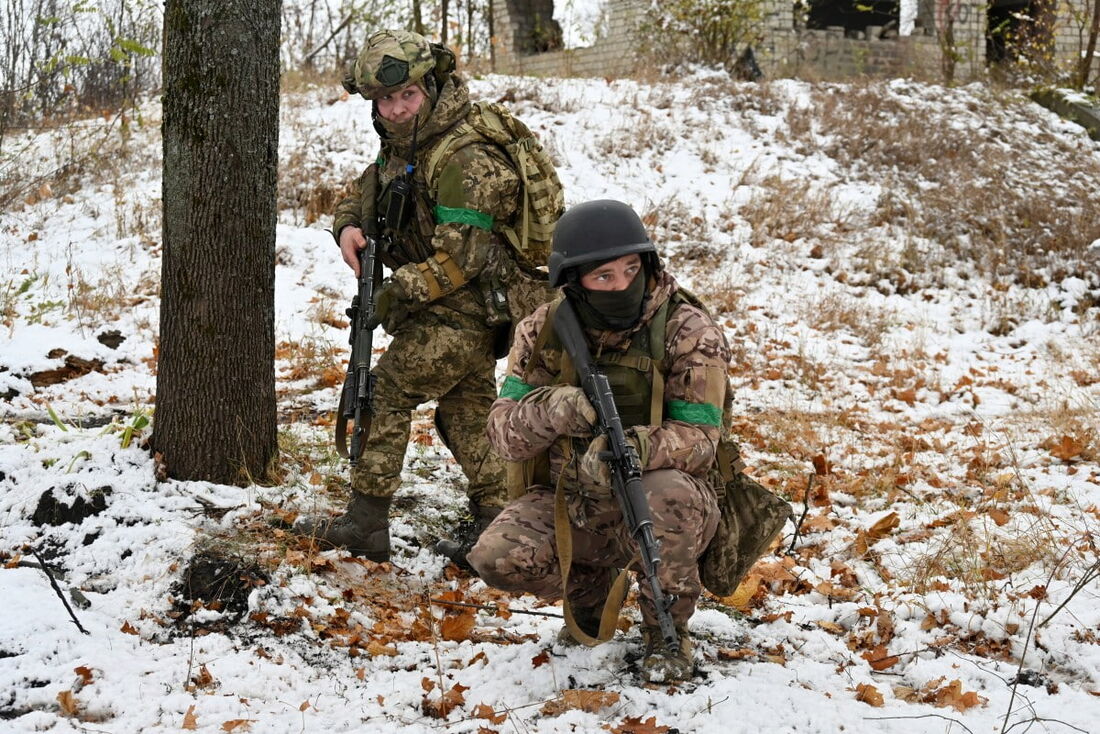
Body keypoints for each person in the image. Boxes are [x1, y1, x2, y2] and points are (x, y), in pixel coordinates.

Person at [297, 30, 541, 565]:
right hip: (448, 306)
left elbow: (462, 259)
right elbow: (369, 188)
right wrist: (346, 227)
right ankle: (499, 527)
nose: (397, 108)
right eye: (386, 100)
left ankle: (366, 524)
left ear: (431, 85)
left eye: (408, 95)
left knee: (385, 392)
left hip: (470, 310)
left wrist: (393, 294)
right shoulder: (411, 139)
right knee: (466, 413)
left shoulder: (465, 156)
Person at [468, 200, 732, 683]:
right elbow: (501, 435)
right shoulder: (544, 330)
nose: (623, 285)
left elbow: (702, 439)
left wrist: (640, 447)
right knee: (496, 557)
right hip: (570, 496)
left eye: (632, 270)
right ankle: (590, 586)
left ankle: (665, 632)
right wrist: (553, 409)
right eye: (603, 277)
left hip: (666, 498)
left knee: (666, 495)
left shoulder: (686, 329)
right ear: (574, 281)